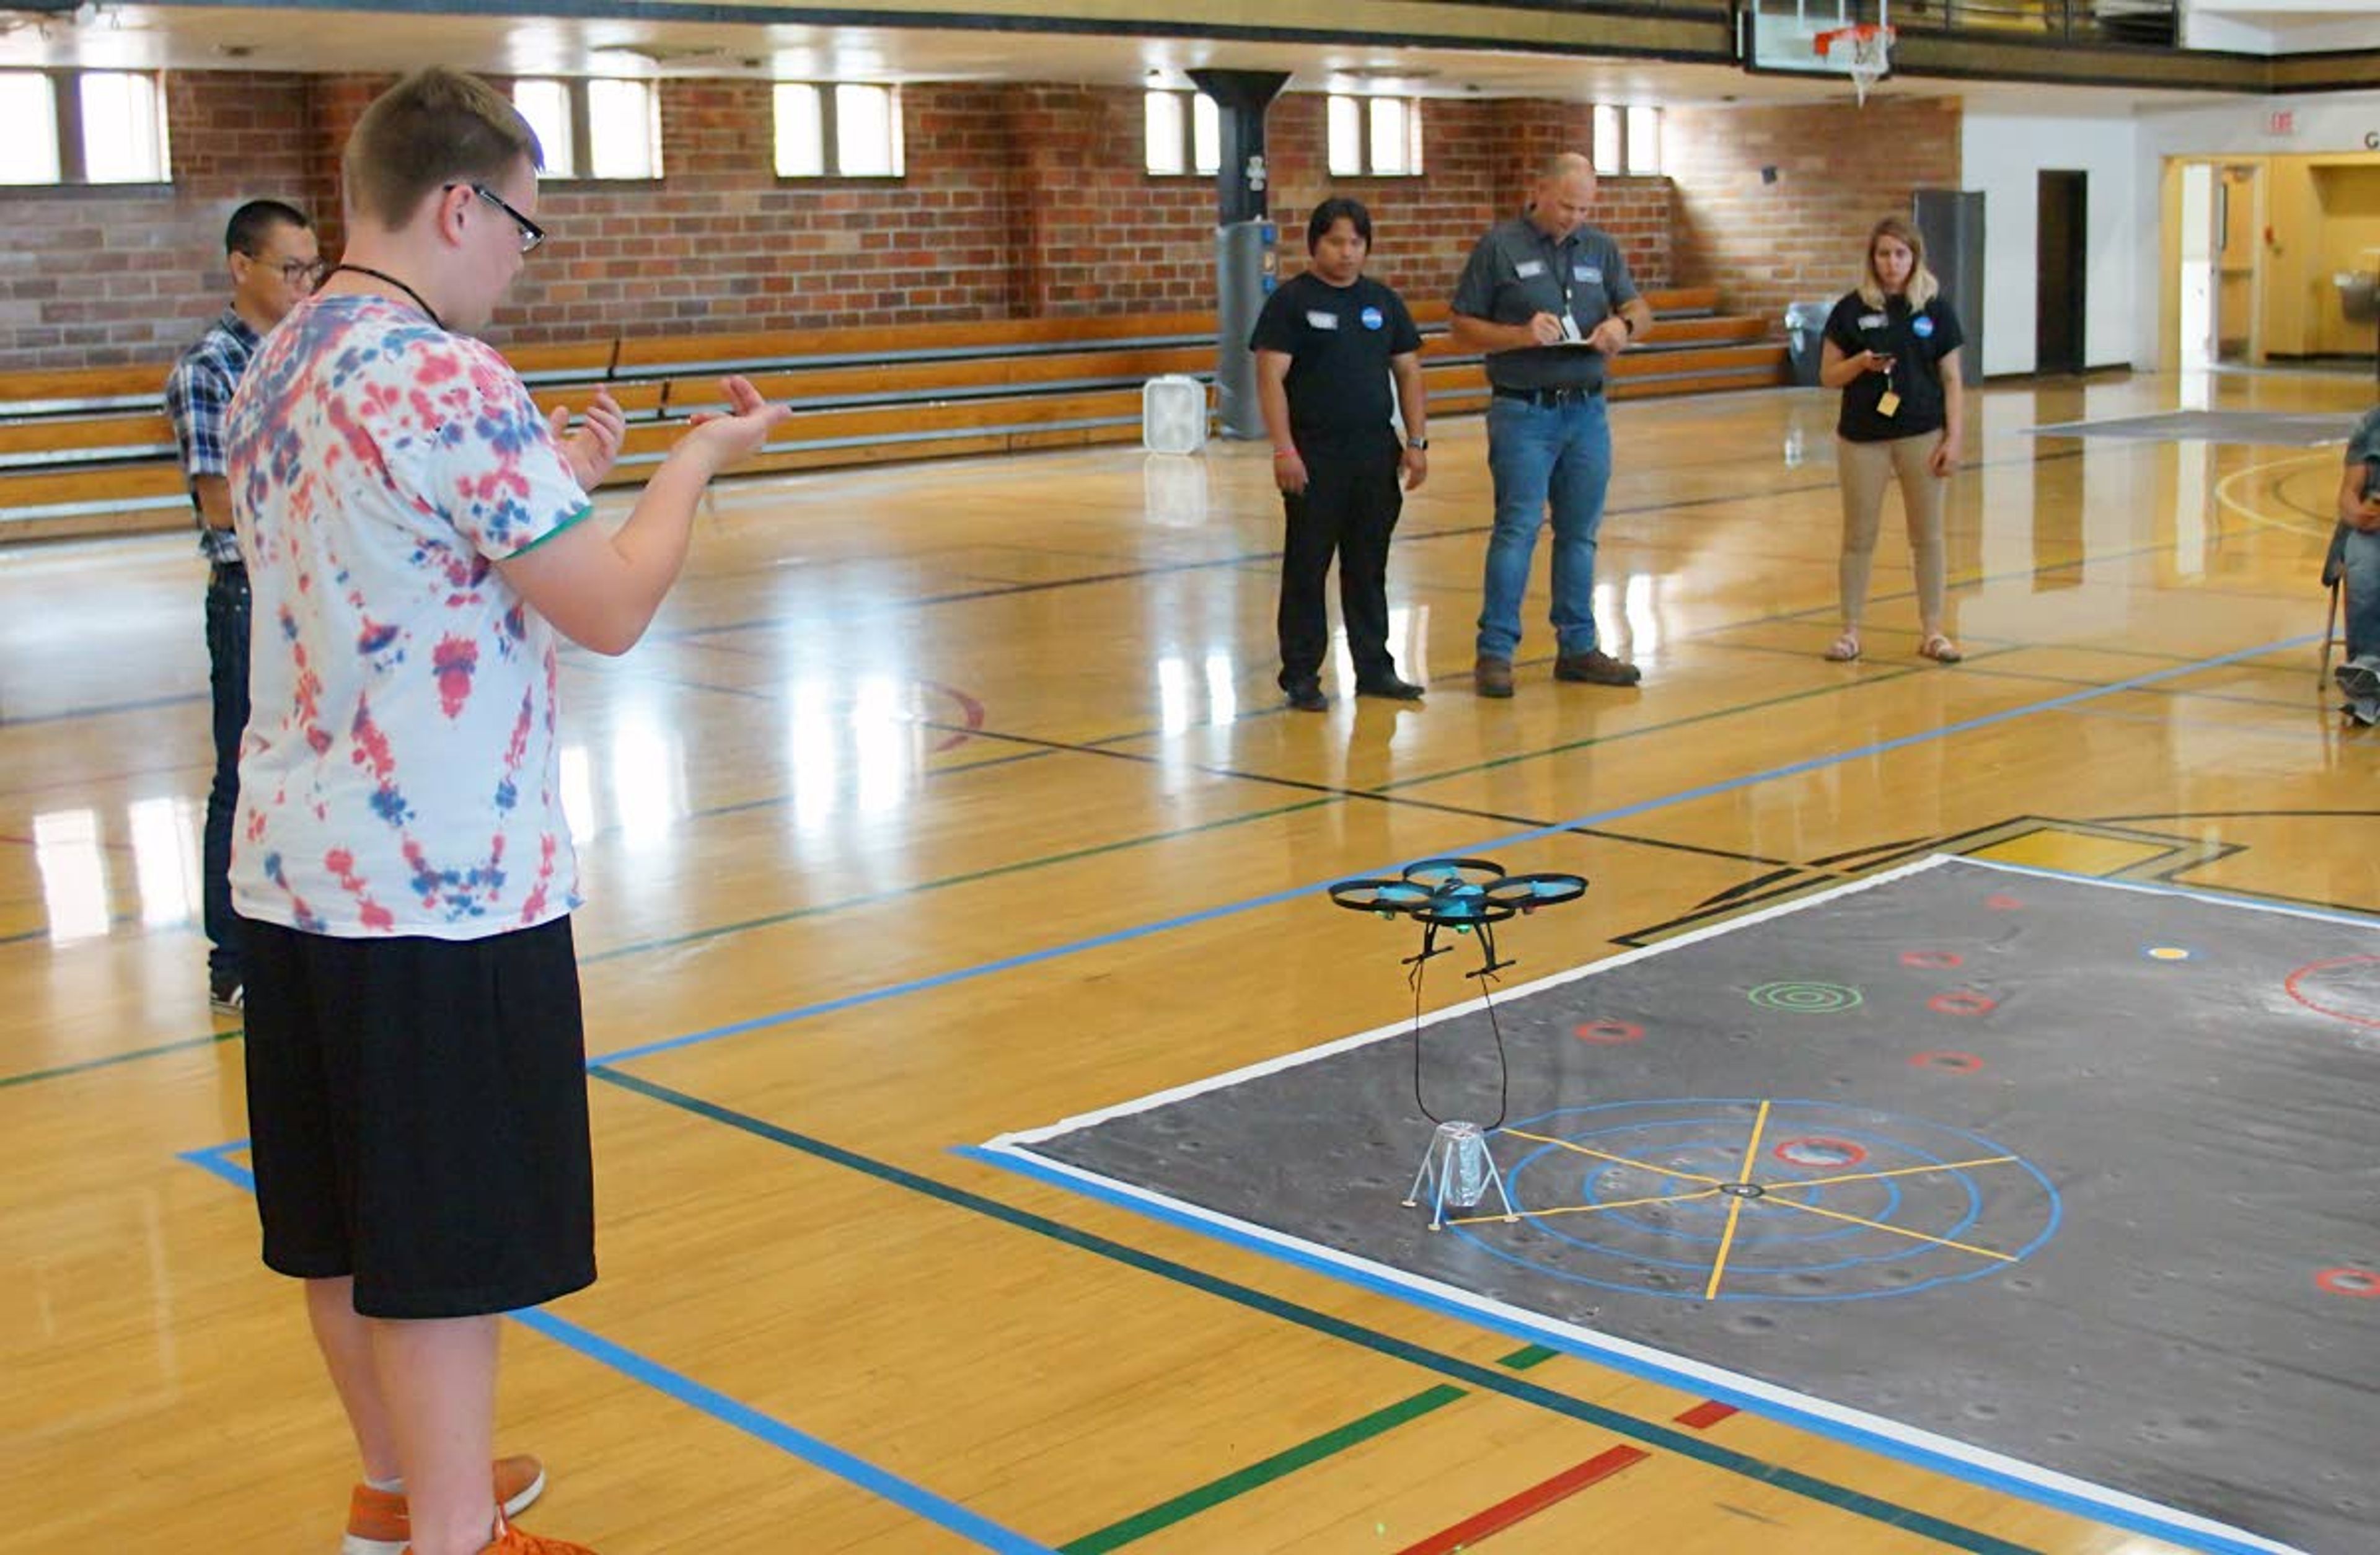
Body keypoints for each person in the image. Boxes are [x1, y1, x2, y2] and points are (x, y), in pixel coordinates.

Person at [223, 68, 788, 1555]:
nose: (518, 262)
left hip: (295, 874)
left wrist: (570, 467)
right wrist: (688, 464)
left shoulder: (277, 360)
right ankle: (456, 1541)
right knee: (443, 1250)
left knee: (344, 1228)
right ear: (460, 202)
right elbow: (602, 605)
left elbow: (412, 552)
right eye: (522, 229)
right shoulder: (445, 376)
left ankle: (401, 1491)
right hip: (440, 882)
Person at [164, 198, 322, 1015]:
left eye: (311, 269)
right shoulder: (210, 369)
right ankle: (233, 957)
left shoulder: (313, 357)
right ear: (241, 267)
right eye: (289, 268)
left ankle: (306, 936)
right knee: (241, 772)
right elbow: (223, 503)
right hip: (249, 596)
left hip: (317, 590)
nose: (304, 285)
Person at [1450, 152, 1653, 698]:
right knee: (1517, 528)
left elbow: (1640, 306)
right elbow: (1462, 325)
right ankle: (1496, 652)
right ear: (1539, 190)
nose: (1573, 217)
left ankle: (1578, 645)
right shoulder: (1500, 247)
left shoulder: (1601, 249)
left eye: (1584, 208)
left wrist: (1623, 325)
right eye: (1566, 205)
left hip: (1586, 409)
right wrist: (1518, 334)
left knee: (1580, 534)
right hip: (1524, 409)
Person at [1251, 196, 1429, 711]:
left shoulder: (1383, 302)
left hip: (1375, 452)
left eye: (1356, 242)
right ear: (1314, 244)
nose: (1346, 253)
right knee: (1308, 567)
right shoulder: (1291, 303)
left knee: (1369, 565)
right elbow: (1270, 378)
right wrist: (1284, 448)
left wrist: (1416, 442)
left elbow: (1409, 372)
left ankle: (1375, 666)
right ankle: (1302, 674)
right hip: (1315, 454)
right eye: (1335, 242)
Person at [1817, 214, 1967, 665]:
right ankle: (1850, 630)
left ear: (1914, 257)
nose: (1891, 263)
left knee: (1928, 535)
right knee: (1858, 535)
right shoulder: (1850, 310)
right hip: (1864, 437)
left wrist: (1954, 438)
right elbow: (1827, 375)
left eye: (1900, 254)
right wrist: (1861, 363)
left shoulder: (1935, 309)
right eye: (1883, 254)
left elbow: (1953, 379)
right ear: (1872, 258)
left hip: (1922, 432)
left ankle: (1934, 629)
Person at [2328, 404, 2380, 723]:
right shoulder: (2372, 425)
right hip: (2373, 525)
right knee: (2362, 558)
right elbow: (2349, 493)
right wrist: (2354, 512)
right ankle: (2367, 671)